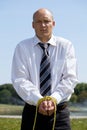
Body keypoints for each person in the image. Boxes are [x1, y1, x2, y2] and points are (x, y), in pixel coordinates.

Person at [11, 8, 78, 130]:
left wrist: (54, 99)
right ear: (33, 25)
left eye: (46, 21)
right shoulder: (22, 47)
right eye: (38, 21)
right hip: (32, 112)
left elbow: (70, 78)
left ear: (53, 23)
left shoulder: (66, 46)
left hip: (60, 112)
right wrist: (39, 100)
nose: (43, 25)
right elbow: (20, 79)